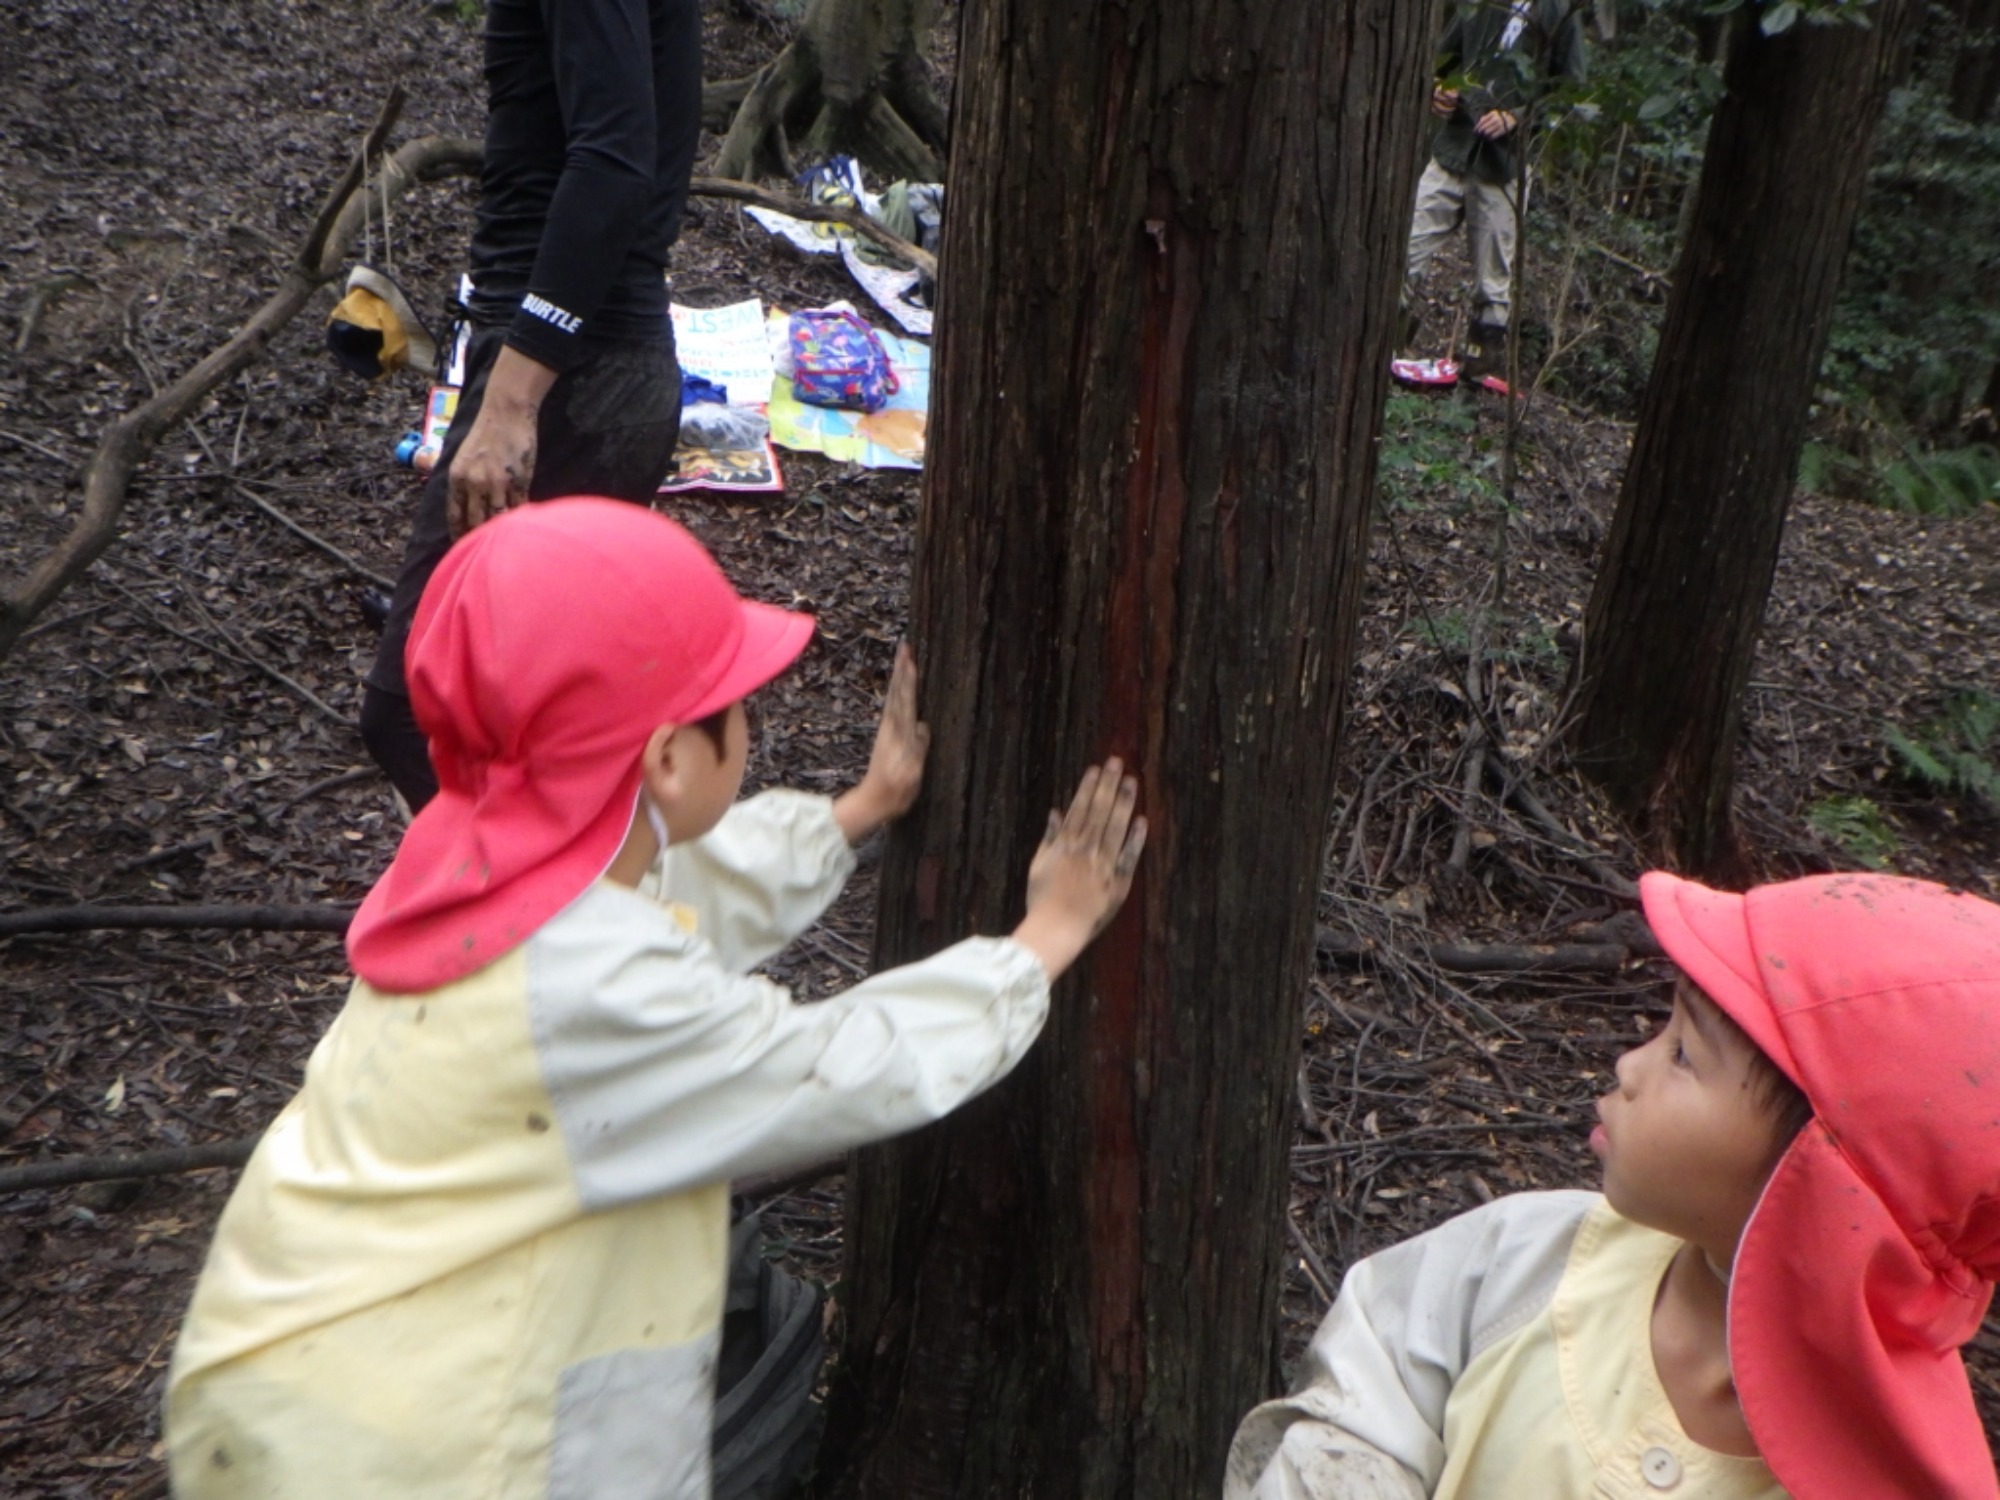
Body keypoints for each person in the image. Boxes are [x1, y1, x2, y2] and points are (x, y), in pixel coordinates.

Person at [166, 498, 1148, 1500]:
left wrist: (856, 811)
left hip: (301, 1374)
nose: (748, 722)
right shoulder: (590, 992)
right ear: (671, 760)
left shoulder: (485, 868)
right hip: (415, 1448)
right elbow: (834, 1068)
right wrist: (1042, 940)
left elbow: (672, 900)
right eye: (732, 704)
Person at [1225, 870, 2000, 1500]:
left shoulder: (1883, 1480)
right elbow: (1369, 1387)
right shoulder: (1522, 1258)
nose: (1629, 1066)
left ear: (1825, 1183)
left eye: (1683, 1055)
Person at [359, 0, 703, 812]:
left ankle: (554, 910)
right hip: (593, 365)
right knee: (531, 718)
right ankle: (560, 911)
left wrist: (514, 402)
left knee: (412, 713)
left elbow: (617, 165)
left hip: (576, 383)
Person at [1402, 0, 1587, 378]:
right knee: (1406, 250)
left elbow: (1570, 93)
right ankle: (1386, 353)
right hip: (1454, 150)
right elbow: (1443, 56)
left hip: (1504, 167)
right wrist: (1440, 88)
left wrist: (1517, 116)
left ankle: (1474, 379)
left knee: (1492, 283)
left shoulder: (1560, 13)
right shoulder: (1482, 3)